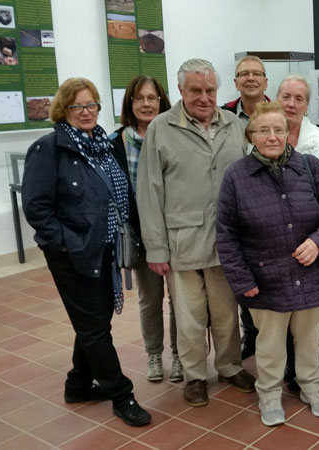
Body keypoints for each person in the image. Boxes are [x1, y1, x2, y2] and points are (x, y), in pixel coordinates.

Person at [22, 77, 151, 427]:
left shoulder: (104, 145)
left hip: (107, 249)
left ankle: (77, 384)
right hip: (73, 254)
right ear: (63, 110)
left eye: (91, 104)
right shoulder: (48, 149)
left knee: (94, 321)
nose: (86, 112)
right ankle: (121, 394)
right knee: (95, 326)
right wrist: (65, 242)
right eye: (77, 106)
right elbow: (36, 207)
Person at [137, 59, 256, 407]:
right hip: (182, 242)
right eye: (195, 91)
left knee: (225, 313)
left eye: (210, 91)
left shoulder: (234, 124)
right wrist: (156, 249)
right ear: (180, 91)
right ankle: (194, 376)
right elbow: (149, 191)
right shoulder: (160, 128)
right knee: (189, 317)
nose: (204, 98)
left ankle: (230, 366)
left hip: (227, 241)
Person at [217, 102, 319, 426]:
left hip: (309, 274)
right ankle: (270, 394)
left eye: (279, 129)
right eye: (264, 130)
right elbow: (227, 235)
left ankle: (311, 387)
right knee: (270, 344)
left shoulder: (311, 168)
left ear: (289, 133)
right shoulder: (236, 176)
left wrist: (318, 242)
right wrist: (242, 280)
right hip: (265, 278)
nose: (272, 136)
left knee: (309, 338)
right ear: (251, 135)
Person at [108, 76, 182, 383]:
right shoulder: (115, 143)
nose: (146, 104)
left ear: (162, 102)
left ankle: (180, 355)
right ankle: (154, 354)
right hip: (140, 236)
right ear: (130, 103)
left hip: (177, 232)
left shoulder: (175, 136)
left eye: (152, 98)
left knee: (180, 299)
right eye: (139, 98)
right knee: (150, 299)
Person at [276, 73, 319, 388]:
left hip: (308, 240)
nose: (291, 103)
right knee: (278, 309)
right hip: (273, 242)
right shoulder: (260, 134)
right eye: (286, 96)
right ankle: (284, 369)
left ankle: (306, 375)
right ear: (276, 99)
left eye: (298, 98)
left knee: (307, 312)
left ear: (307, 105)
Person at [221, 55, 270, 360]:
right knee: (242, 275)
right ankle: (249, 333)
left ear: (266, 81)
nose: (250, 78)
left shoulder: (278, 112)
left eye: (257, 74)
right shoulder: (223, 115)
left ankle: (269, 337)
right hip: (238, 206)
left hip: (273, 207)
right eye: (244, 74)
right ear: (236, 82)